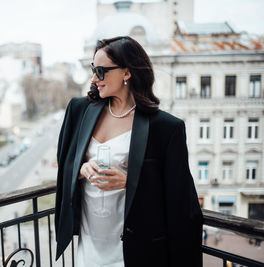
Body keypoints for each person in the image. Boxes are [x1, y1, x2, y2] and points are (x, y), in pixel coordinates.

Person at [55, 36, 203, 267]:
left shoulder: (166, 128)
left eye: (101, 71)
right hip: (89, 243)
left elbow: (180, 200)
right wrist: (81, 169)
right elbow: (64, 166)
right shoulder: (78, 110)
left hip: (135, 250)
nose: (94, 78)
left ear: (127, 72)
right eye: (93, 70)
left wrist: (130, 181)